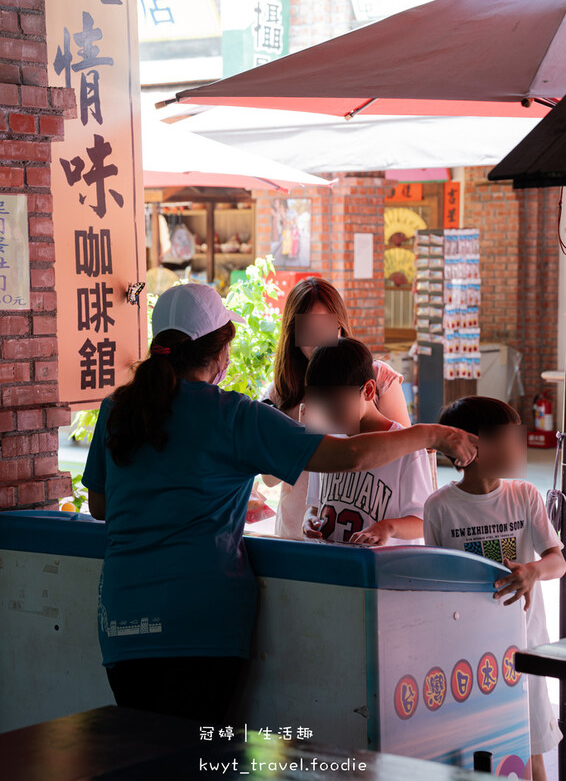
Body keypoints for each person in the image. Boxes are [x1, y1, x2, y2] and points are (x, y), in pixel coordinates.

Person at [83, 283, 477, 725]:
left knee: (140, 755)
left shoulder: (117, 407)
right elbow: (347, 454)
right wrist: (435, 435)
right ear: (220, 352)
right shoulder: (232, 415)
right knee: (192, 759)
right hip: (200, 625)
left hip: (121, 623)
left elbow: (100, 505)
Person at [423, 396, 565, 781]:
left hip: (525, 647)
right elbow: (436, 583)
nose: (519, 445)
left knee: (533, 751)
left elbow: (558, 560)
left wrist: (533, 571)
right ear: (471, 446)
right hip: (470, 652)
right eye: (508, 437)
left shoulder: (524, 496)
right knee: (480, 747)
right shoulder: (439, 507)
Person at [262, 277, 412, 540]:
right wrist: (307, 433)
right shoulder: (281, 392)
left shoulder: (376, 378)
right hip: (299, 530)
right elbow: (269, 478)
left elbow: (407, 450)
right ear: (293, 333)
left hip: (369, 532)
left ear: (340, 325)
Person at [302, 338, 433, 545]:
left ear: (368, 391)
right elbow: (316, 506)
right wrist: (309, 519)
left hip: (385, 571)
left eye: (336, 404)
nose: (328, 414)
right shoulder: (324, 440)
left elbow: (424, 522)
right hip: (335, 567)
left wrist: (388, 527)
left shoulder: (405, 448)